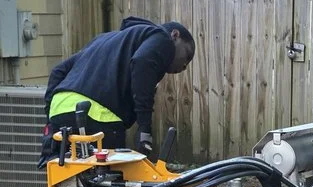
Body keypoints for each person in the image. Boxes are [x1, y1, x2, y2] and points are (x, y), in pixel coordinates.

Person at [38, 17, 195, 166]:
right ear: (175, 35)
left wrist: (50, 121)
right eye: (187, 56)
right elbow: (142, 62)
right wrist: (144, 130)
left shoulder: (105, 39)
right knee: (111, 184)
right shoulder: (162, 38)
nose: (184, 67)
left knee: (71, 185)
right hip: (97, 114)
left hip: (60, 110)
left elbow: (58, 71)